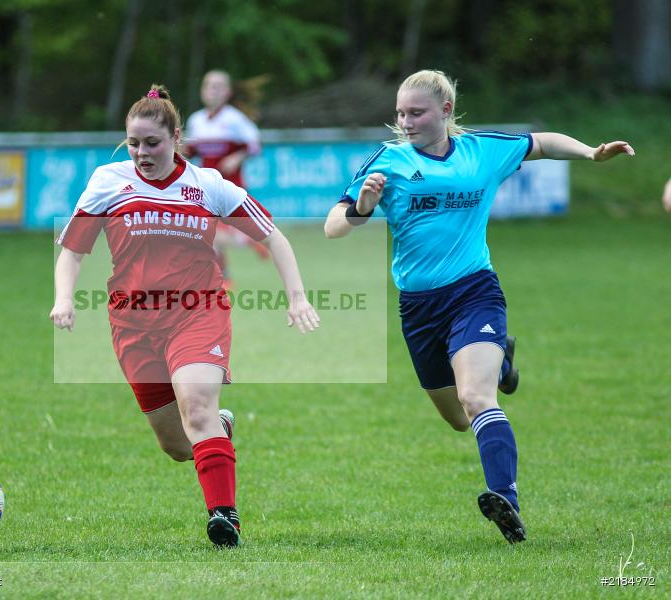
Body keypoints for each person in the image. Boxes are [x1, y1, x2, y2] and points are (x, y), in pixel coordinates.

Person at [325, 69, 634, 544]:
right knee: (456, 417)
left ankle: (505, 497)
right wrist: (362, 207)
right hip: (419, 307)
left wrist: (591, 153)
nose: (405, 122)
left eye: (416, 112)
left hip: (474, 292)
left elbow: (542, 142)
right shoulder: (388, 162)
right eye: (401, 113)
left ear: (445, 111)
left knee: (476, 397)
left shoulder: (481, 151)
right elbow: (333, 228)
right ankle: (503, 361)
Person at [51, 85, 319, 547]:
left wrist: (298, 298)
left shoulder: (207, 185)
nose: (141, 152)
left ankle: (224, 516)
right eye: (134, 142)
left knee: (197, 410)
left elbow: (273, 237)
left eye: (152, 143)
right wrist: (64, 298)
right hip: (133, 324)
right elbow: (73, 251)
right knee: (178, 444)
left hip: (198, 313)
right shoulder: (108, 181)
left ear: (177, 137)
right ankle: (221, 428)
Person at [184, 70, 267, 288]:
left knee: (213, 235)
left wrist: (237, 157)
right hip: (207, 189)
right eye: (208, 85)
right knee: (208, 234)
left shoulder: (234, 119)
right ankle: (226, 276)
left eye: (218, 86)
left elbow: (255, 144)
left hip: (232, 187)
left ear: (228, 92)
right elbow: (190, 151)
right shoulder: (196, 120)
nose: (212, 90)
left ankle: (250, 240)